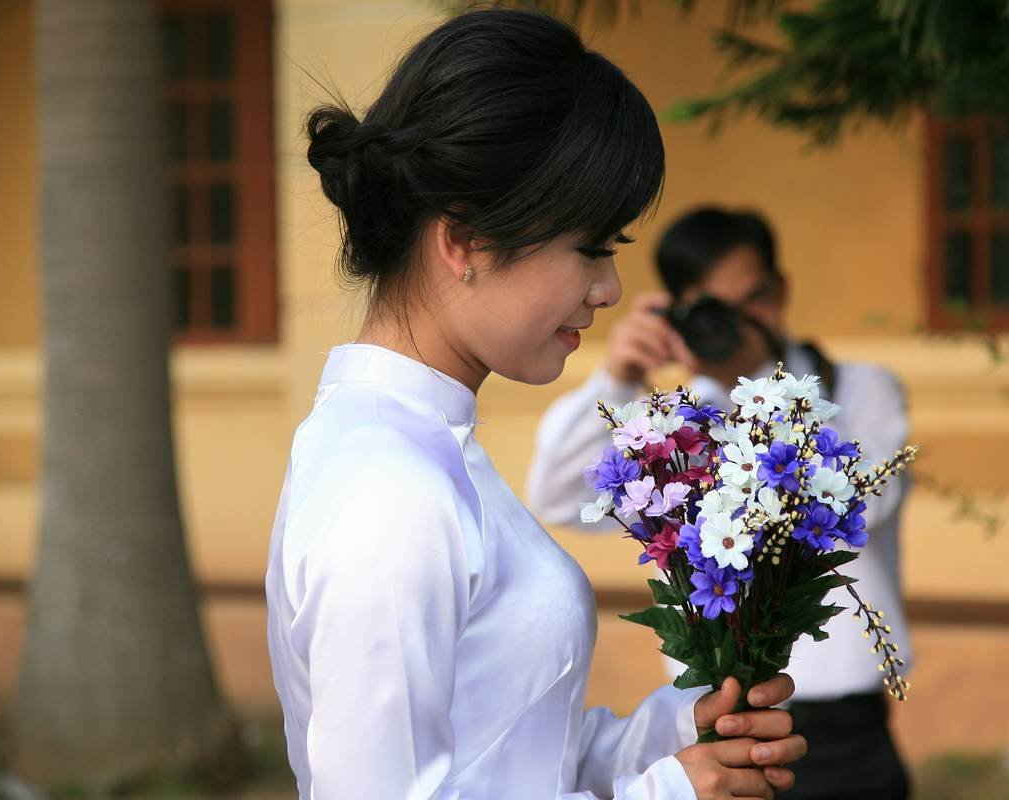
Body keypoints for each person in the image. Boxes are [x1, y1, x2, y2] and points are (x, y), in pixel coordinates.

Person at [264, 12, 808, 799]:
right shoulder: (388, 491)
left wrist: (674, 734)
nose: (609, 290)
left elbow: (508, 752)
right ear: (470, 240)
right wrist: (668, 794)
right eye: (591, 248)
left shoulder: (418, 448)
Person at [528, 207, 914, 800]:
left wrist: (755, 384)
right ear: (681, 315)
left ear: (781, 290)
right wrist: (617, 379)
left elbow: (854, 508)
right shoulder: (680, 422)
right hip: (716, 719)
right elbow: (555, 495)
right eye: (716, 309)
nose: (742, 322)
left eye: (754, 299)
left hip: (844, 729)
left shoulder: (856, 389)